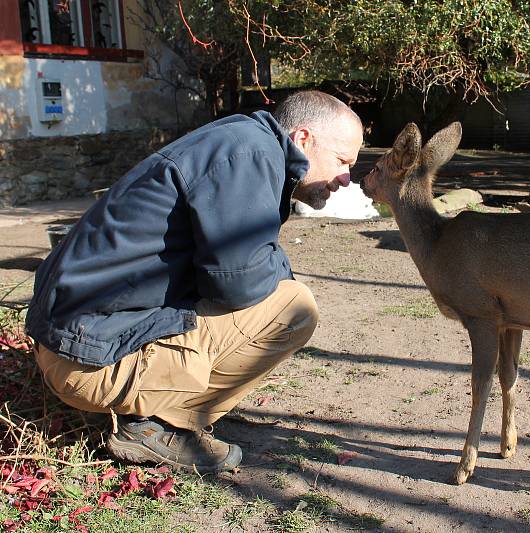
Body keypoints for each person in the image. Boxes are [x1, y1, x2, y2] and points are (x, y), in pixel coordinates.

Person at [25, 90, 364, 473]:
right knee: (293, 307)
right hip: (85, 361)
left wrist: (267, 264)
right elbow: (240, 283)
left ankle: (159, 407)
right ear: (303, 139)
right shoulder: (249, 155)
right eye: (342, 161)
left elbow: (236, 266)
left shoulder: (240, 142)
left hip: (75, 341)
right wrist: (275, 267)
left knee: (277, 292)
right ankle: (162, 426)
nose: (346, 178)